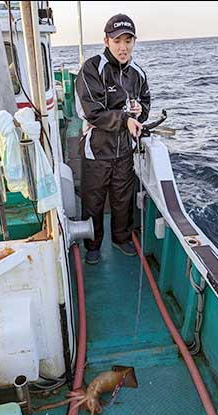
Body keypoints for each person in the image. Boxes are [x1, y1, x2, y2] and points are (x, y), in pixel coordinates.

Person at [75, 13, 151, 265]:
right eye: (118, 40)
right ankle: (93, 243)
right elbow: (93, 112)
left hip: (124, 152)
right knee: (93, 200)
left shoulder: (137, 73)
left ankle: (121, 238)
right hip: (96, 150)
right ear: (106, 41)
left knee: (122, 199)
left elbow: (146, 103)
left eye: (128, 40)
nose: (123, 47)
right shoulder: (92, 68)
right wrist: (125, 119)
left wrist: (140, 110)